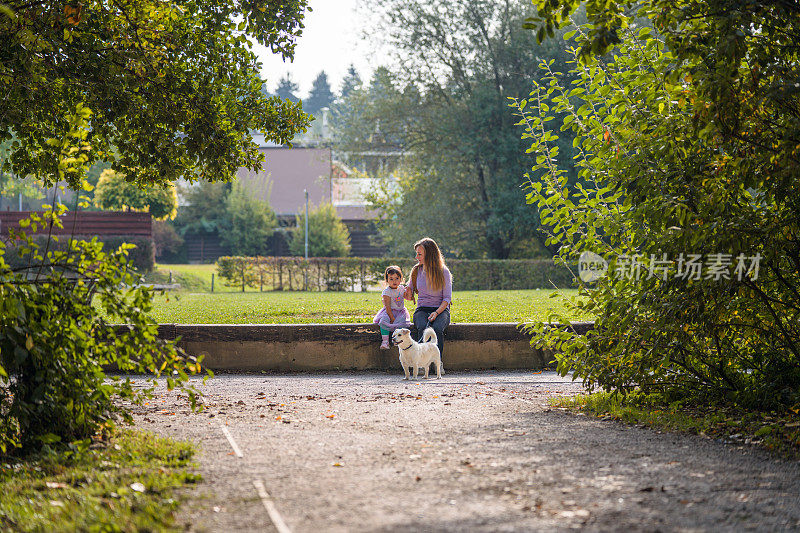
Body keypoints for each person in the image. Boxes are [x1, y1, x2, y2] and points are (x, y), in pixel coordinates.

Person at [404, 237, 451, 361]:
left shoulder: (444, 272)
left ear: (429, 255)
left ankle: (437, 362)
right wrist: (405, 292)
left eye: (419, 254)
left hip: (441, 309)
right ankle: (422, 362)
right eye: (416, 254)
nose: (416, 257)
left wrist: (436, 313)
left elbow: (447, 298)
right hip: (422, 309)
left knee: (437, 329)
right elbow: (409, 295)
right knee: (422, 328)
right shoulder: (416, 271)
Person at [373, 265, 412, 349]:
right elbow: (387, 307)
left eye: (397, 278)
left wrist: (408, 291)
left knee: (401, 324)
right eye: (391, 279)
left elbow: (408, 298)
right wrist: (392, 318)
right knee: (384, 321)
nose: (394, 281)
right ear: (387, 280)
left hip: (400, 312)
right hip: (389, 311)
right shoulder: (387, 292)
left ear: (401, 279)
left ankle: (397, 341)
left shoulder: (401, 288)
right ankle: (385, 341)